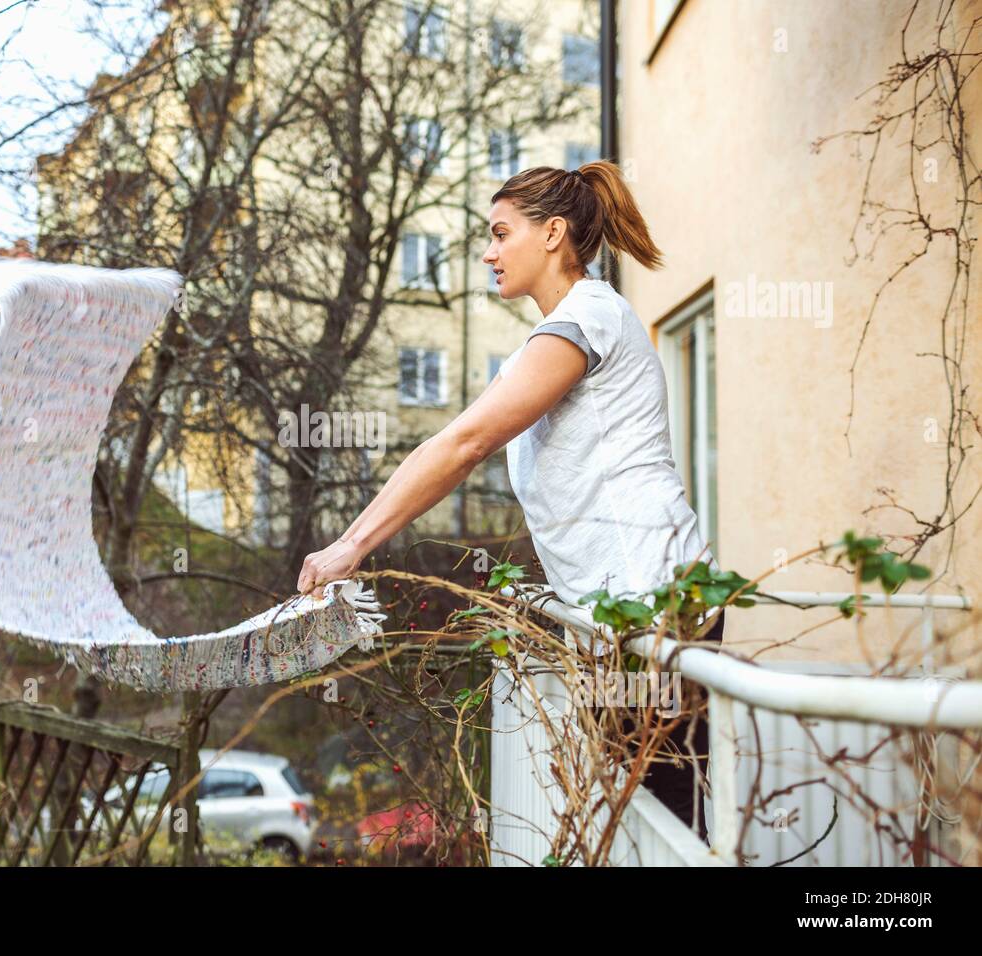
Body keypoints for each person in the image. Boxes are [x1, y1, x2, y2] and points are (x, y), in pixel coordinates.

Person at [295, 160, 724, 833]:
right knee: (652, 819)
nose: (489, 252)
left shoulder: (588, 317)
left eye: (500, 233)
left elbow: (465, 444)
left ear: (553, 233)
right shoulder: (562, 331)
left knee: (667, 821)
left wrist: (352, 544)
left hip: (653, 604)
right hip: (624, 612)